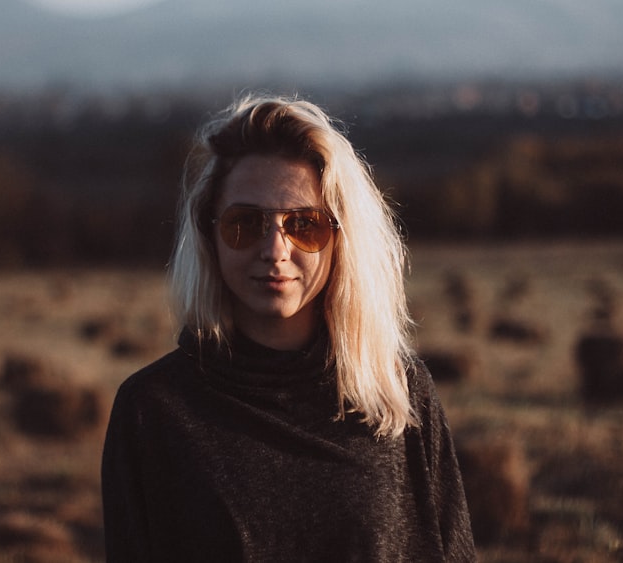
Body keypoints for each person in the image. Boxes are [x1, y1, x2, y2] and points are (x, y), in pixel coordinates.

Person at [101, 94, 476, 562]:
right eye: (245, 224)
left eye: (305, 224)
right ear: (208, 234)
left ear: (342, 238)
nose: (275, 249)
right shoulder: (154, 410)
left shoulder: (396, 390)